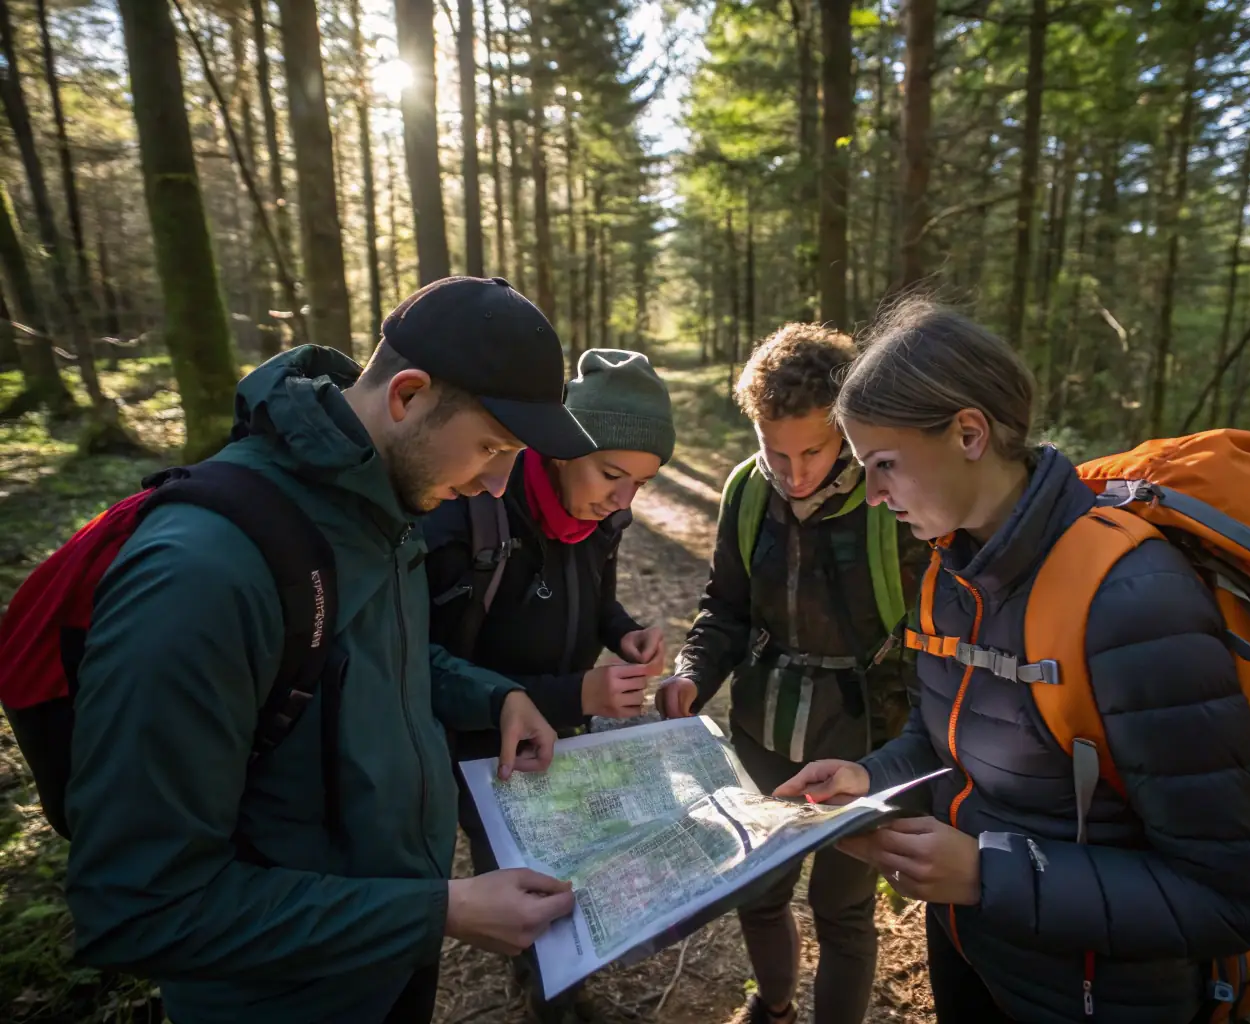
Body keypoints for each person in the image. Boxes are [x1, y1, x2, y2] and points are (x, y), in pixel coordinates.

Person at [64, 277, 588, 1024]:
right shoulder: (202, 575)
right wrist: (434, 912)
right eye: (490, 448)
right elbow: (140, 905)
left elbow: (376, 659)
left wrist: (494, 694)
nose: (492, 486)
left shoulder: (380, 504)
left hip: (386, 962)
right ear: (406, 395)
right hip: (279, 1000)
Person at [776, 299, 1250, 1023]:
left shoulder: (1135, 602)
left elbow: (1233, 896)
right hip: (973, 952)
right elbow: (943, 737)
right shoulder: (949, 574)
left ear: (968, 432)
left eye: (884, 465)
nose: (876, 494)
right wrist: (869, 775)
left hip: (1098, 994)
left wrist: (989, 875)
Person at [653, 324, 927, 1024]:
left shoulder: (889, 504)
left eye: (813, 450)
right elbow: (725, 606)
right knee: (761, 891)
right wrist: (692, 673)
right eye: (776, 451)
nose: (795, 474)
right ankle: (772, 1006)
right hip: (762, 726)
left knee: (843, 910)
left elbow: (929, 639)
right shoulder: (748, 492)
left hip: (862, 737)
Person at [423, 348, 676, 1020]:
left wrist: (623, 632)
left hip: (565, 734)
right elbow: (429, 664)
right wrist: (579, 695)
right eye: (611, 474)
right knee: (523, 877)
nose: (622, 500)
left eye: (642, 484)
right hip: (484, 750)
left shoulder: (601, 517)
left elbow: (595, 601)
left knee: (574, 859)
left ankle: (565, 983)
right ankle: (548, 1002)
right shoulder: (474, 511)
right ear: (561, 450)